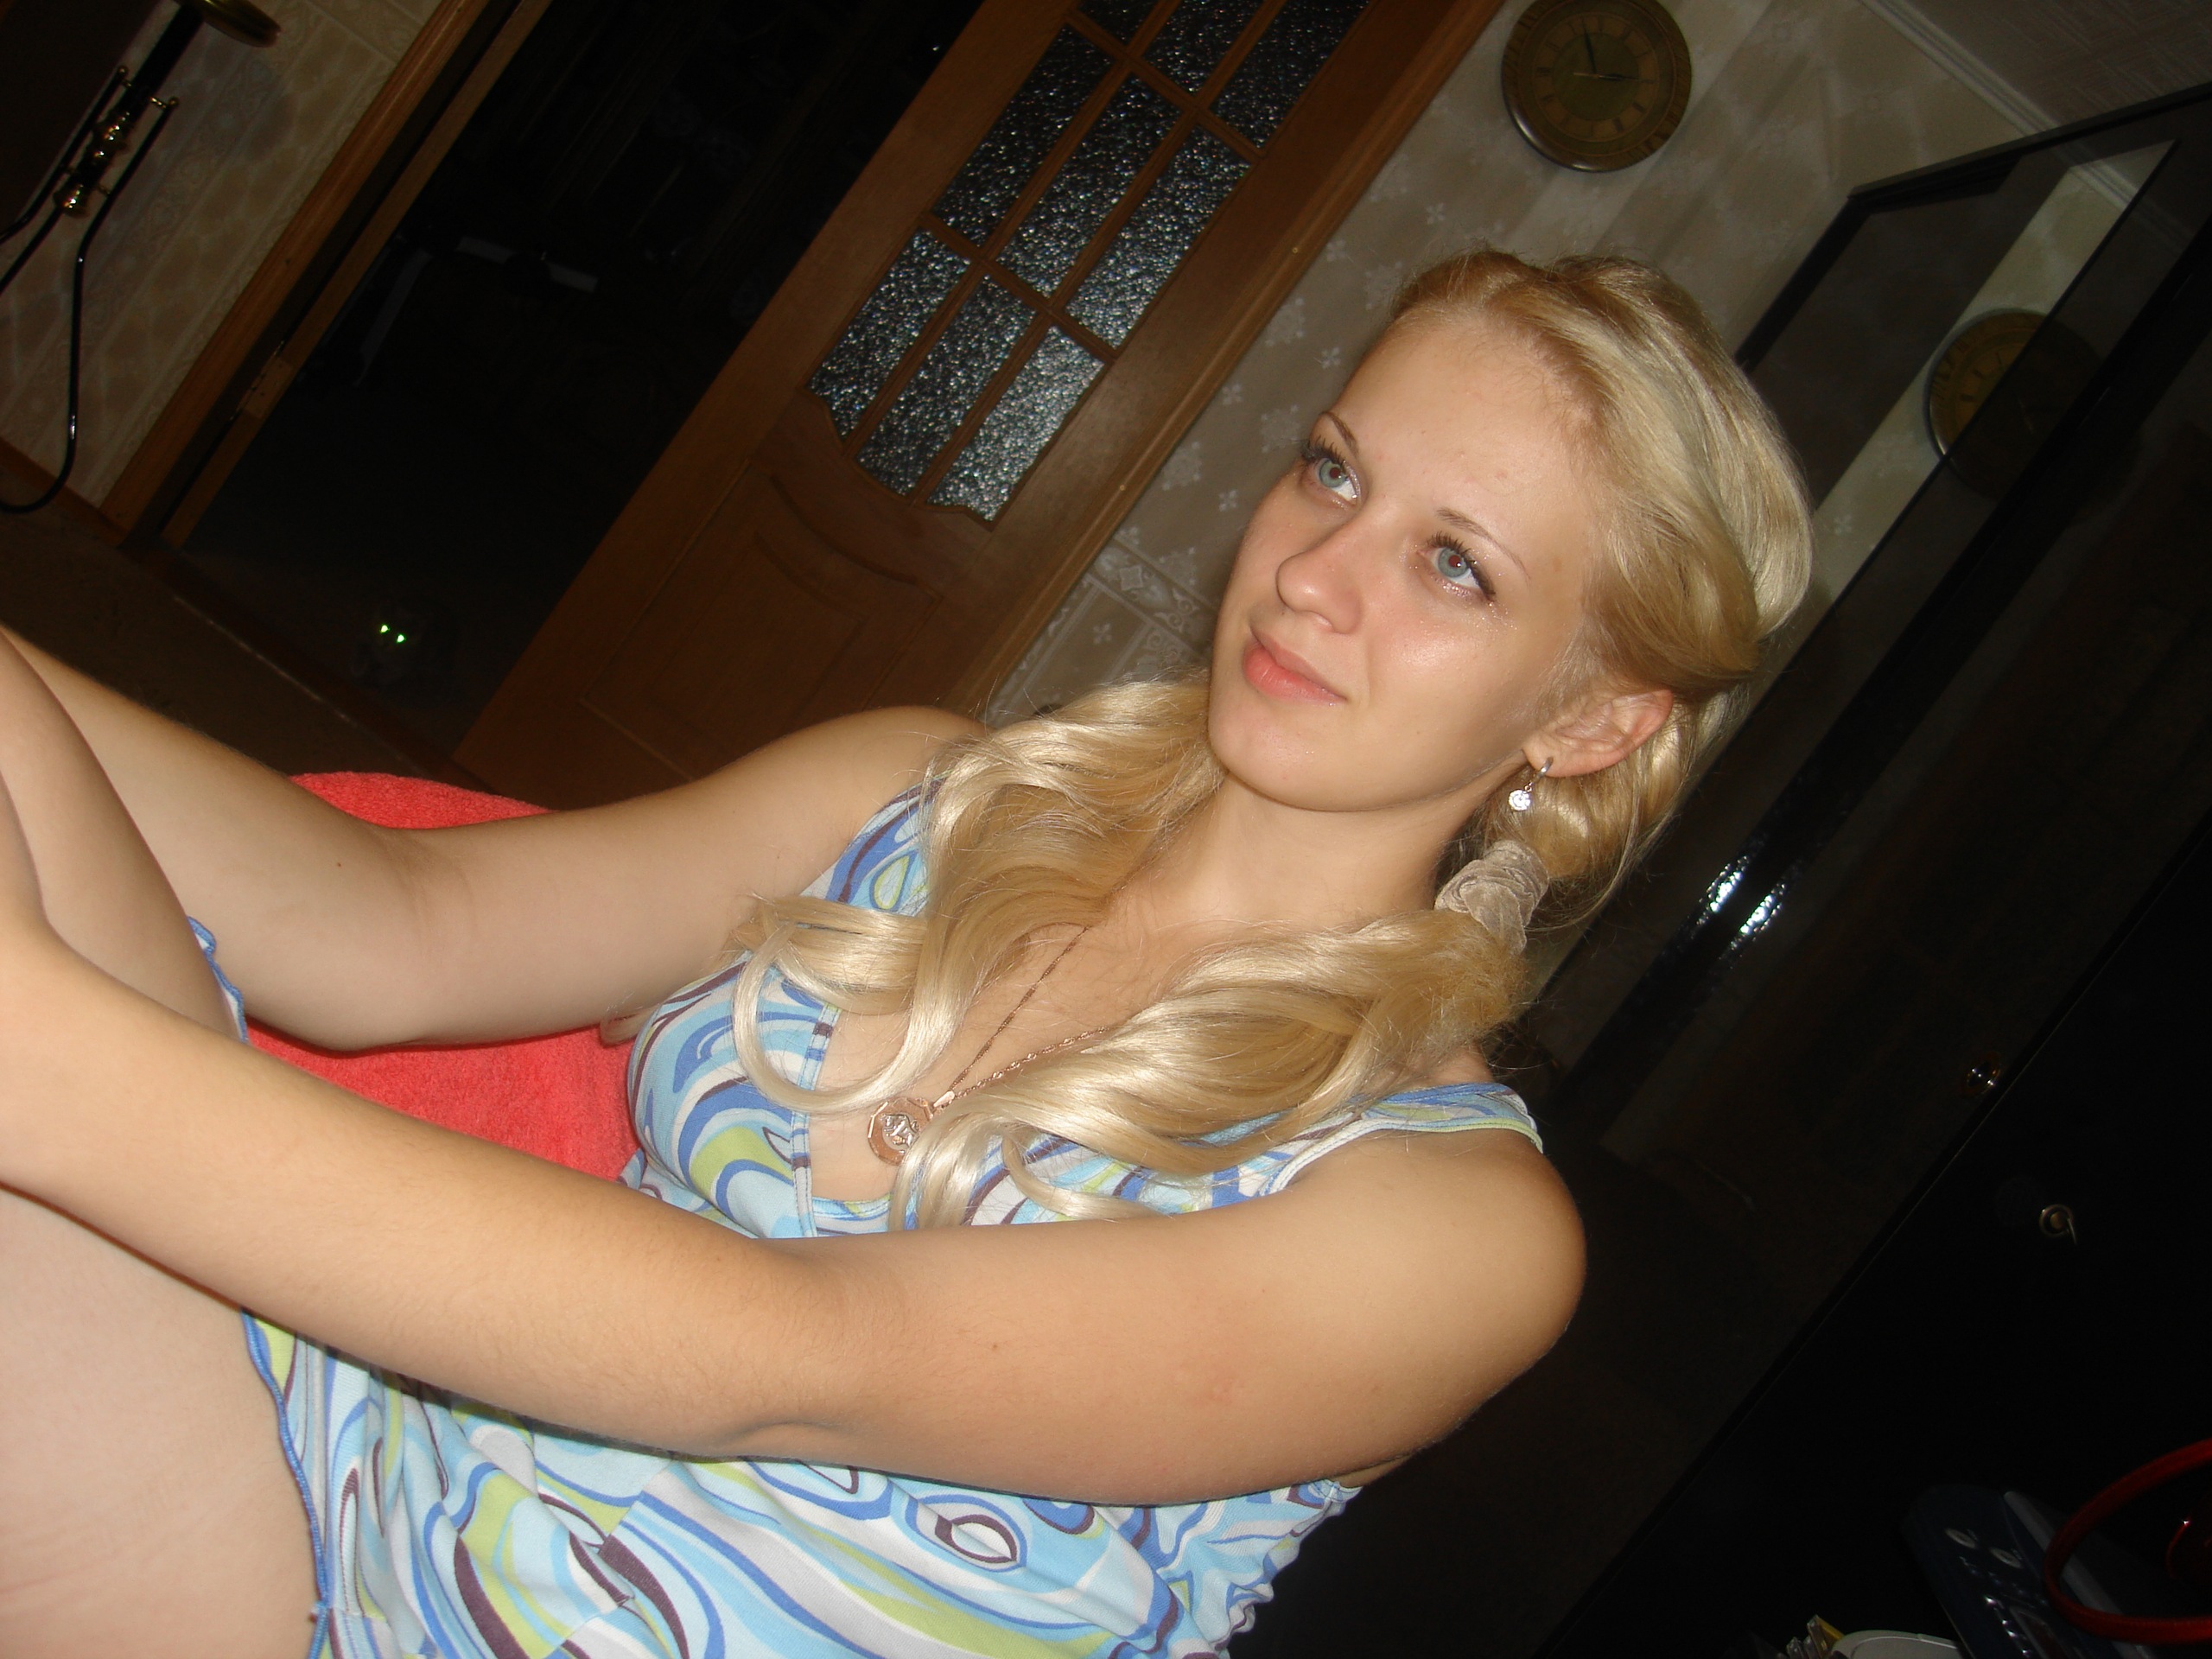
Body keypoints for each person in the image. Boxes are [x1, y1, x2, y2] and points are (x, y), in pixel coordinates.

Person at [0, 250, 1809, 1658]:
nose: (1316, 574)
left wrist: (53, 1062)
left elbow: (782, 1357)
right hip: (354, 1483)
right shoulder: (922, 795)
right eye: (1332, 471)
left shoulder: (1455, 1230)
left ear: (1592, 718)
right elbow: (400, 932)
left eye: (1454, 566)